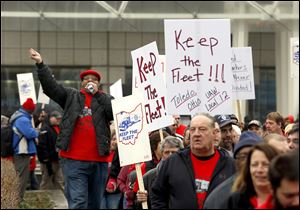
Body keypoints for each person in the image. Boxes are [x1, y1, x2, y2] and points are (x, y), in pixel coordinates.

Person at [29, 48, 114, 209]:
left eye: (94, 80)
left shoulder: (106, 99)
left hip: (99, 161)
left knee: (95, 204)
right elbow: (51, 87)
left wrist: (99, 95)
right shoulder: (71, 96)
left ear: (99, 84)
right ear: (81, 83)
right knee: (78, 203)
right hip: (74, 161)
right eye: (87, 79)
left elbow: (114, 112)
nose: (90, 81)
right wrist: (41, 64)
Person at [150, 113, 236, 209]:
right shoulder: (173, 162)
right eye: (192, 129)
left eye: (202, 129)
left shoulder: (230, 165)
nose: (196, 134)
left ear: (214, 133)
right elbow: (157, 195)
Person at [203, 131, 263, 209]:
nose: (250, 161)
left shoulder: (278, 189)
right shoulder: (219, 197)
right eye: (243, 156)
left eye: (255, 155)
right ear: (236, 161)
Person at [226, 143, 279, 209]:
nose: (259, 170)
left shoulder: (286, 198)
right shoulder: (237, 200)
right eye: (254, 165)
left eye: (265, 164)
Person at [136, 136, 184, 208]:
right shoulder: (148, 177)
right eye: (167, 152)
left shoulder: (188, 174)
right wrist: (140, 201)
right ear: (162, 154)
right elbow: (138, 206)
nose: (170, 156)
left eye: (174, 152)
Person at [9, 98, 39, 201]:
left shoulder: (20, 117)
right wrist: (37, 132)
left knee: (22, 177)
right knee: (21, 177)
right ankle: (18, 200)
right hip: (21, 152)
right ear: (30, 109)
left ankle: (18, 198)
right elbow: (30, 133)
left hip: (21, 151)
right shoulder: (23, 119)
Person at [37, 110, 64, 190]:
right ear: (51, 118)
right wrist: (45, 158)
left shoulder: (58, 127)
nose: (59, 120)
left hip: (57, 159)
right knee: (46, 180)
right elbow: (42, 145)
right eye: (57, 118)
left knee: (59, 180)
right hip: (48, 160)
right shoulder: (45, 128)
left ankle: (61, 199)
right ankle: (42, 198)